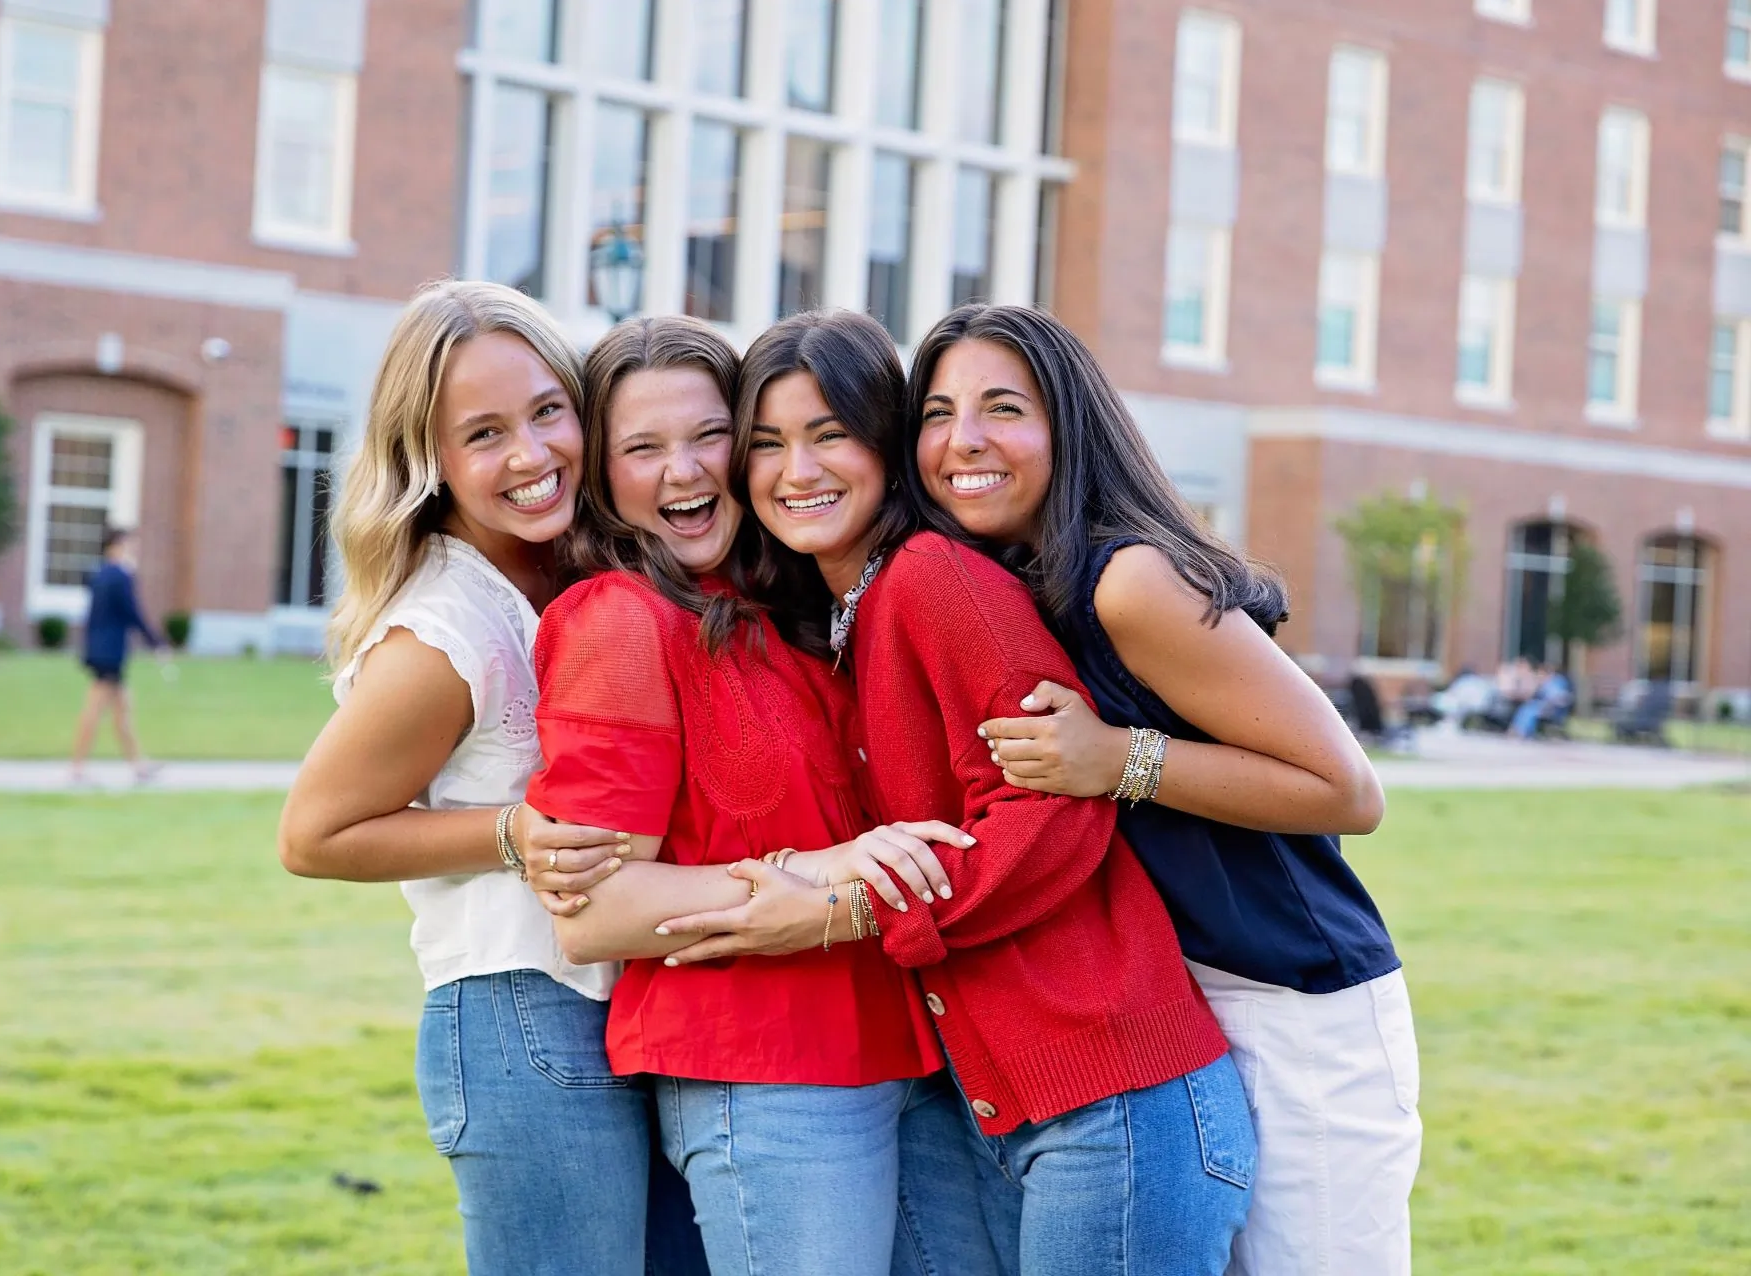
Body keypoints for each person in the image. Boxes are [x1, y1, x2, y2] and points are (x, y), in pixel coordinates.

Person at [656, 310, 1254, 1276]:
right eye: (766, 443)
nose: (795, 470)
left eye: (829, 434)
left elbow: (1052, 810)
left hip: (1112, 1105)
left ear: (887, 447)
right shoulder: (840, 618)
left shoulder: (935, 580)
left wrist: (844, 915)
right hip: (988, 1106)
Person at [906, 303, 1418, 1276]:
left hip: (1293, 1008)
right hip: (1169, 1012)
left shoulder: (1128, 580)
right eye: (936, 411)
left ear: (1070, 426)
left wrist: (1119, 759)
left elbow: (1347, 788)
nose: (961, 439)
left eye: (1001, 407)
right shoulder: (1005, 583)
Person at [519, 314, 1000, 1276]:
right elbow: (597, 910)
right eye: (642, 448)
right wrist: (819, 879)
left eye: (708, 437)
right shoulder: (618, 621)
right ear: (604, 477)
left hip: (908, 1053)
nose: (685, 472)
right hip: (761, 1072)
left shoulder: (785, 618)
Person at [275, 281, 702, 1276]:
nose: (531, 453)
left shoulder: (582, 568)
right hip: (522, 1016)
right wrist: (512, 829)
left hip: (635, 1006)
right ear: (431, 460)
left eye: (548, 411)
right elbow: (313, 833)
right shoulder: (445, 631)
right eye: (484, 433)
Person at [70, 527, 164, 783]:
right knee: (94, 709)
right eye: (129, 544)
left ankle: (139, 766)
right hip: (110, 652)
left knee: (123, 709)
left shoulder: (98, 574)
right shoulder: (121, 576)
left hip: (98, 648)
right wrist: (156, 642)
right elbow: (133, 613)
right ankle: (77, 767)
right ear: (115, 545)